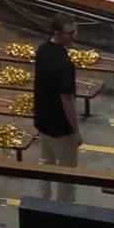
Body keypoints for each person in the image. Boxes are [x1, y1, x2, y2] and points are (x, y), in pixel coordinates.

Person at [33, 14, 83, 200]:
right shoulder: (64, 64)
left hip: (42, 119)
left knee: (45, 162)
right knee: (67, 171)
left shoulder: (43, 48)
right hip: (60, 127)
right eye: (70, 33)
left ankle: (42, 202)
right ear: (57, 33)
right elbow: (67, 100)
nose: (74, 36)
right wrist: (76, 131)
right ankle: (65, 208)